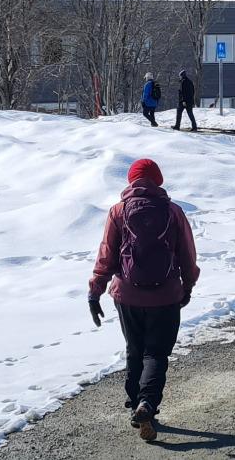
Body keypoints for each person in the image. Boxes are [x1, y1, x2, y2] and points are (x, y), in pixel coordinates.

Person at [87, 158, 199, 442]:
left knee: (135, 349)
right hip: (166, 295)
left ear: (131, 181)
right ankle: (147, 403)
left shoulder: (119, 211)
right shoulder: (173, 212)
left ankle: (135, 402)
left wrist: (95, 290)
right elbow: (187, 254)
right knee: (156, 354)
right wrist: (187, 286)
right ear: (158, 180)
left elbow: (107, 255)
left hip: (127, 294)